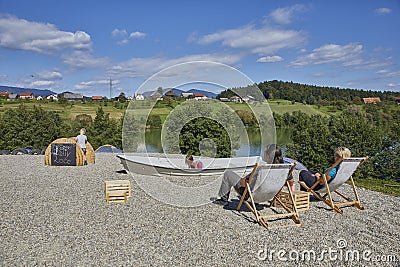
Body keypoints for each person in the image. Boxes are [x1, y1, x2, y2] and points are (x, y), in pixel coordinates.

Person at [213, 144, 293, 206]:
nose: (263, 154)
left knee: (228, 173)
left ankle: (223, 200)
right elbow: (291, 182)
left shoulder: (262, 169)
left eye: (264, 153)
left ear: (268, 156)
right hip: (269, 195)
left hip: (253, 196)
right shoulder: (285, 169)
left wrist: (244, 178)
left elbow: (242, 184)